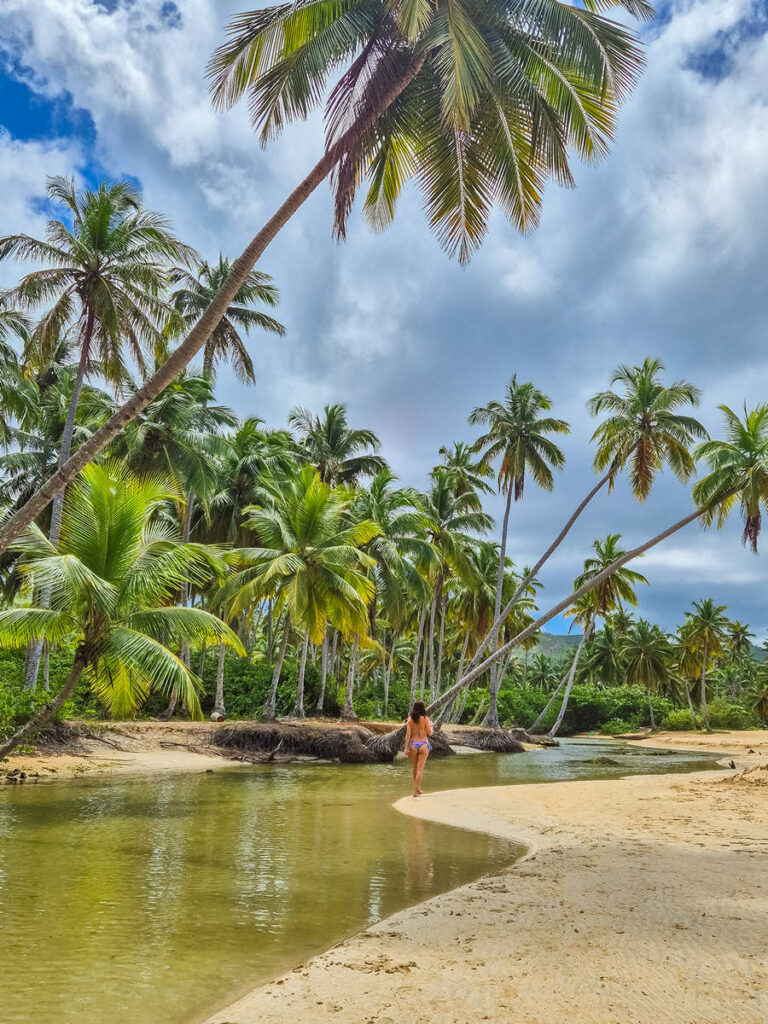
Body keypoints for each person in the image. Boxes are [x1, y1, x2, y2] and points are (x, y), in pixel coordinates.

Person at [404, 700, 433, 797]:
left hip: (413, 745)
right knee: (420, 769)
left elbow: (408, 736)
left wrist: (405, 749)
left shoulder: (409, 720)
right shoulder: (425, 719)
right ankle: (415, 791)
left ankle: (417, 789)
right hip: (423, 744)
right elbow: (430, 733)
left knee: (415, 768)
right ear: (422, 708)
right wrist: (431, 726)